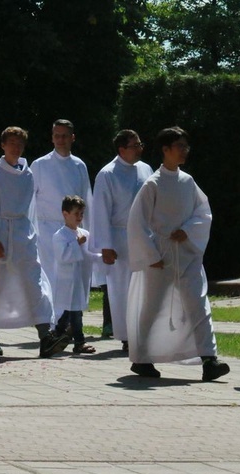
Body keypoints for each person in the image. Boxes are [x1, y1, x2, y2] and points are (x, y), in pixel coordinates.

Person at [126, 127, 229, 381]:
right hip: (161, 256)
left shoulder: (188, 181)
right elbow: (137, 222)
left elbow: (203, 213)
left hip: (187, 254)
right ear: (166, 150)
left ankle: (209, 359)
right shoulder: (153, 184)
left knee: (199, 303)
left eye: (186, 146)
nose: (185, 150)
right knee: (152, 307)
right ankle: (141, 358)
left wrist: (188, 230)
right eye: (180, 146)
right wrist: (151, 255)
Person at [0, 126, 70, 358]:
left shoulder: (28, 174)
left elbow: (31, 209)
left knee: (34, 283)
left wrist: (32, 235)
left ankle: (46, 337)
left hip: (23, 235)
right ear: (3, 145)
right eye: (12, 143)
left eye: (20, 143)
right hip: (0, 233)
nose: (16, 147)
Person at [90, 130, 153, 350]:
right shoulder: (107, 174)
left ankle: (144, 331)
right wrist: (105, 246)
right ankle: (127, 336)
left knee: (145, 285)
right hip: (119, 238)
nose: (139, 148)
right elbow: (101, 211)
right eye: (135, 145)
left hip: (144, 236)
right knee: (122, 288)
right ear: (121, 150)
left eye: (139, 144)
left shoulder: (146, 169)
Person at [30, 119, 93, 299]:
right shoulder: (40, 164)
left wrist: (86, 231)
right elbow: (30, 200)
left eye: (65, 135)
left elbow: (86, 198)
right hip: (46, 231)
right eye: (57, 135)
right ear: (52, 138)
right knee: (50, 275)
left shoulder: (79, 165)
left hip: (73, 231)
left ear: (72, 138)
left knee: (71, 275)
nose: (60, 139)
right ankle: (51, 320)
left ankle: (69, 318)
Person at [52, 195, 102, 354]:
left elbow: (87, 255)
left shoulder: (84, 233)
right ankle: (79, 341)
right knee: (75, 311)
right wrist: (76, 243)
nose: (80, 218)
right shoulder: (60, 235)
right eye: (76, 214)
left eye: (82, 214)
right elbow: (63, 256)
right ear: (65, 214)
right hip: (68, 280)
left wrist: (102, 258)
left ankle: (56, 335)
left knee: (71, 310)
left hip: (79, 279)